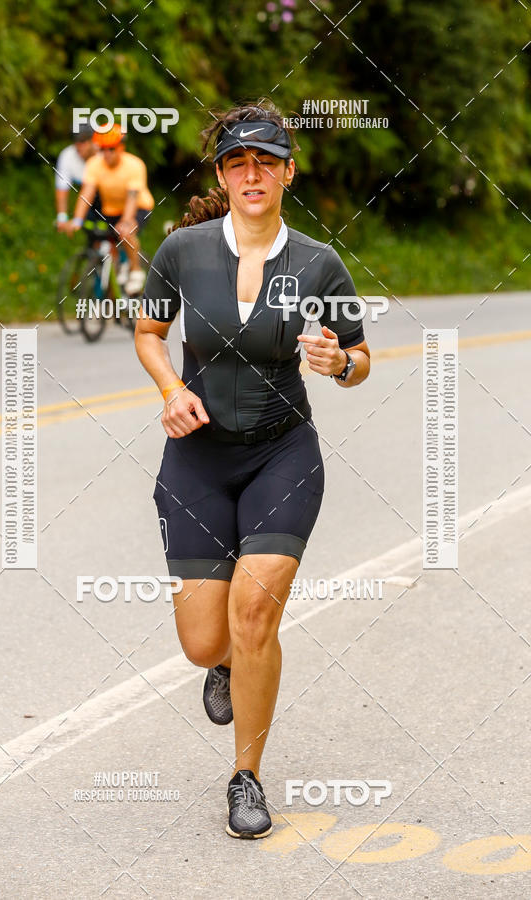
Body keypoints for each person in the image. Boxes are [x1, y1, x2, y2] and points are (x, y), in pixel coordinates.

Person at [135, 101, 371, 839]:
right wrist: (172, 390)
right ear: (223, 175)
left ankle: (246, 779)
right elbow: (148, 332)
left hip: (282, 454)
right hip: (197, 461)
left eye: (266, 160)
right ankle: (225, 665)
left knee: (254, 616)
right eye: (239, 162)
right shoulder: (184, 251)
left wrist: (340, 365)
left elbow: (361, 356)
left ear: (287, 172)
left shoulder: (318, 262)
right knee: (207, 643)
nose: (253, 173)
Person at [66, 123, 154, 294]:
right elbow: (87, 194)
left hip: (138, 207)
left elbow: (132, 197)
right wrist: (77, 220)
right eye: (103, 149)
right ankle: (116, 274)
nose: (106, 154)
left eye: (111, 149)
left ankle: (136, 271)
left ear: (121, 147)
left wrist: (127, 221)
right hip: (110, 210)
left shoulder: (135, 165)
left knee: (126, 232)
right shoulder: (94, 164)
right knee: (104, 241)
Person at [54, 124, 97, 231]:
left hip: (111, 198)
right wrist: (62, 217)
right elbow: (62, 189)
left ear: (93, 141)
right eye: (76, 141)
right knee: (90, 228)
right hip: (88, 199)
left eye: (83, 141)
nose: (79, 146)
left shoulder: (102, 155)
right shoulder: (67, 155)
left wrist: (77, 219)